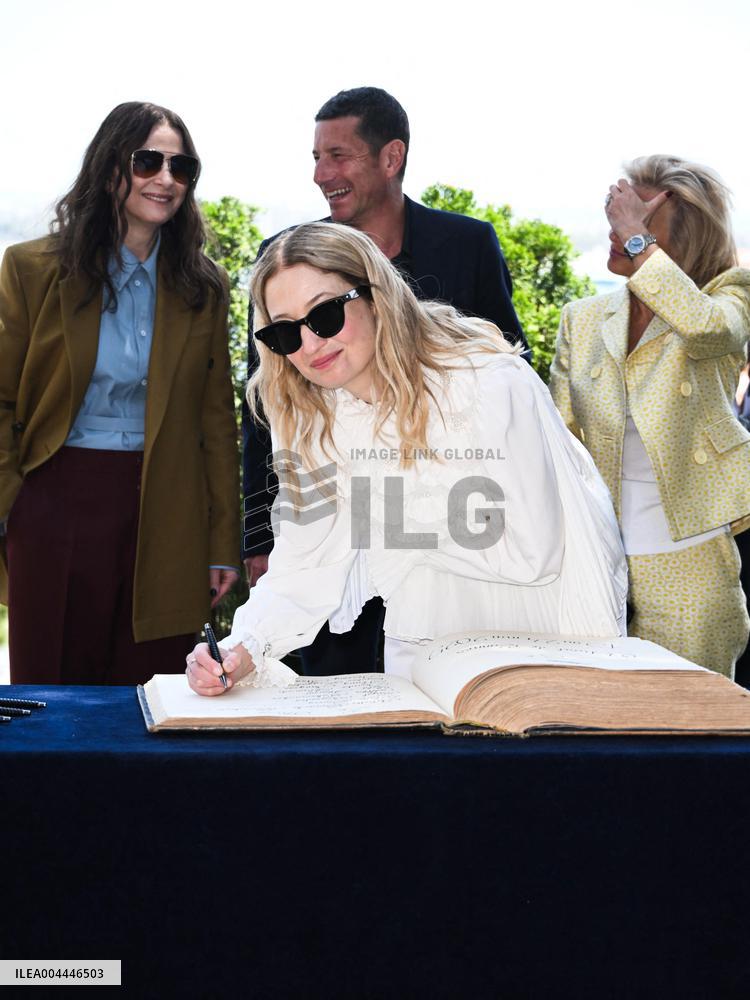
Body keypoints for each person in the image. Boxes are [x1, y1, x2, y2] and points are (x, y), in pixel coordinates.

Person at [186, 222, 626, 695]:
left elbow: (532, 552)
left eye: (325, 316)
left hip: (543, 645)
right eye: (285, 334)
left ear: (375, 297)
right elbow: (305, 565)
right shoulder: (308, 414)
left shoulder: (490, 383)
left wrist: (372, 515)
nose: (310, 345)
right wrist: (238, 651)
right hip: (421, 653)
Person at [242, 86, 529, 675]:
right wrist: (260, 538)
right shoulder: (286, 258)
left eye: (338, 155)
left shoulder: (467, 244)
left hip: (457, 551)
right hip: (326, 532)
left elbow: (507, 365)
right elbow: (267, 411)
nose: (322, 173)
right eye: (316, 157)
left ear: (391, 157)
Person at [0, 101, 240, 685]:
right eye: (148, 161)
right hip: (53, 503)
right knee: (51, 698)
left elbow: (216, 425)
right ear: (111, 167)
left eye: (181, 168)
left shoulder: (202, 287)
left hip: (166, 510)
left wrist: (220, 544)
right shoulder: (30, 268)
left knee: (155, 696)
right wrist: (12, 507)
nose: (166, 179)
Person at [549, 155, 750, 678]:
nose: (620, 231)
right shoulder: (584, 317)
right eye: (620, 217)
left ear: (685, 234)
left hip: (689, 554)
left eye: (639, 219)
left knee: (694, 731)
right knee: (598, 729)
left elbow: (708, 329)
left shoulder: (730, 294)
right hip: (597, 556)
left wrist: (637, 240)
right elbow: (560, 438)